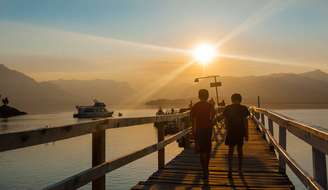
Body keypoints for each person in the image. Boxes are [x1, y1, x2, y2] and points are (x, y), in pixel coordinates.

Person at [223, 93, 250, 177]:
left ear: (232, 99)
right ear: (240, 99)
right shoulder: (243, 108)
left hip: (231, 131)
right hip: (240, 131)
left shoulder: (228, 108)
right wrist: (247, 134)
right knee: (240, 150)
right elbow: (245, 122)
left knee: (230, 150)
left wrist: (227, 128)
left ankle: (230, 170)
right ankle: (239, 170)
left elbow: (225, 120)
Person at [191, 89, 215, 179]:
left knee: (201, 151)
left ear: (199, 96)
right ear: (207, 96)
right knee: (207, 149)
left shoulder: (195, 106)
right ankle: (207, 169)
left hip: (199, 130)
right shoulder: (210, 105)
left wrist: (194, 131)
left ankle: (204, 169)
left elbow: (193, 120)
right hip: (208, 129)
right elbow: (212, 117)